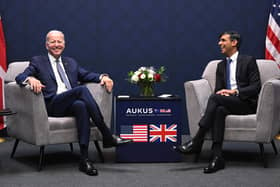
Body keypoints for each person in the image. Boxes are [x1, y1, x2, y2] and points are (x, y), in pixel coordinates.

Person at [15, 30, 132, 176]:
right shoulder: (38, 61)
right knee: (81, 91)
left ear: (64, 44)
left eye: (59, 42)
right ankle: (106, 134)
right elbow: (20, 77)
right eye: (53, 42)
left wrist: (103, 77)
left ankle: (84, 159)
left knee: (81, 106)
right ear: (46, 45)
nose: (56, 45)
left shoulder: (71, 62)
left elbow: (87, 75)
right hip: (52, 105)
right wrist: (30, 79)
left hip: (70, 104)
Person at [174, 31, 261, 173]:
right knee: (219, 110)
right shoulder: (220, 66)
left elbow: (256, 87)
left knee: (215, 99)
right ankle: (217, 157)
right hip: (229, 103)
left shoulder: (248, 60)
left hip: (246, 103)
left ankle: (197, 140)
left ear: (234, 42)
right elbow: (219, 90)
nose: (219, 43)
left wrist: (236, 91)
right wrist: (224, 93)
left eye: (223, 40)